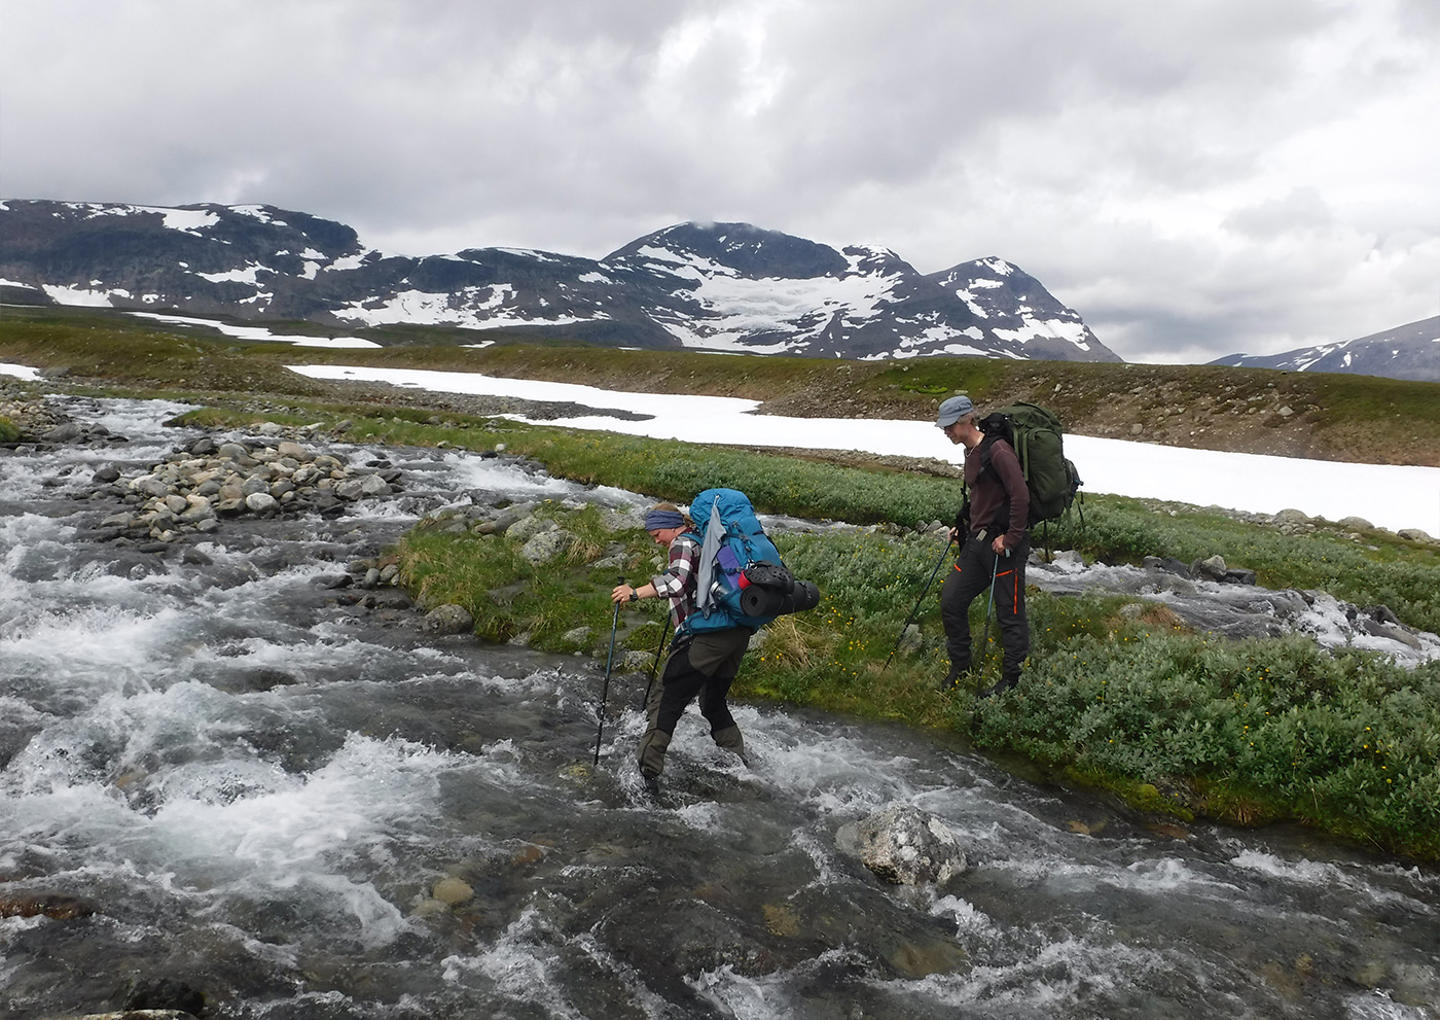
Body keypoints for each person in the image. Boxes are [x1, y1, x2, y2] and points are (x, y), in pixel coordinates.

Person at [612, 503, 750, 795]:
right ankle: (740, 765)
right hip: (737, 632)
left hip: (707, 636)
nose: (657, 540)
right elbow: (737, 579)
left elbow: (675, 581)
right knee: (712, 701)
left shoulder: (683, 542)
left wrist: (634, 593)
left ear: (673, 526)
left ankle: (646, 777)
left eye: (657, 533)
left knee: (665, 698)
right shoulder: (712, 540)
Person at [935, 394, 1030, 697]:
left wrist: (1011, 538)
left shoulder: (998, 450)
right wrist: (962, 527)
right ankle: (961, 667)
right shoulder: (970, 452)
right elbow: (983, 497)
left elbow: (1021, 497)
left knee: (1009, 615)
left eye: (949, 426)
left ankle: (1011, 681)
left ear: (966, 421)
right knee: (951, 600)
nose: (946, 432)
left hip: (1005, 548)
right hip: (977, 546)